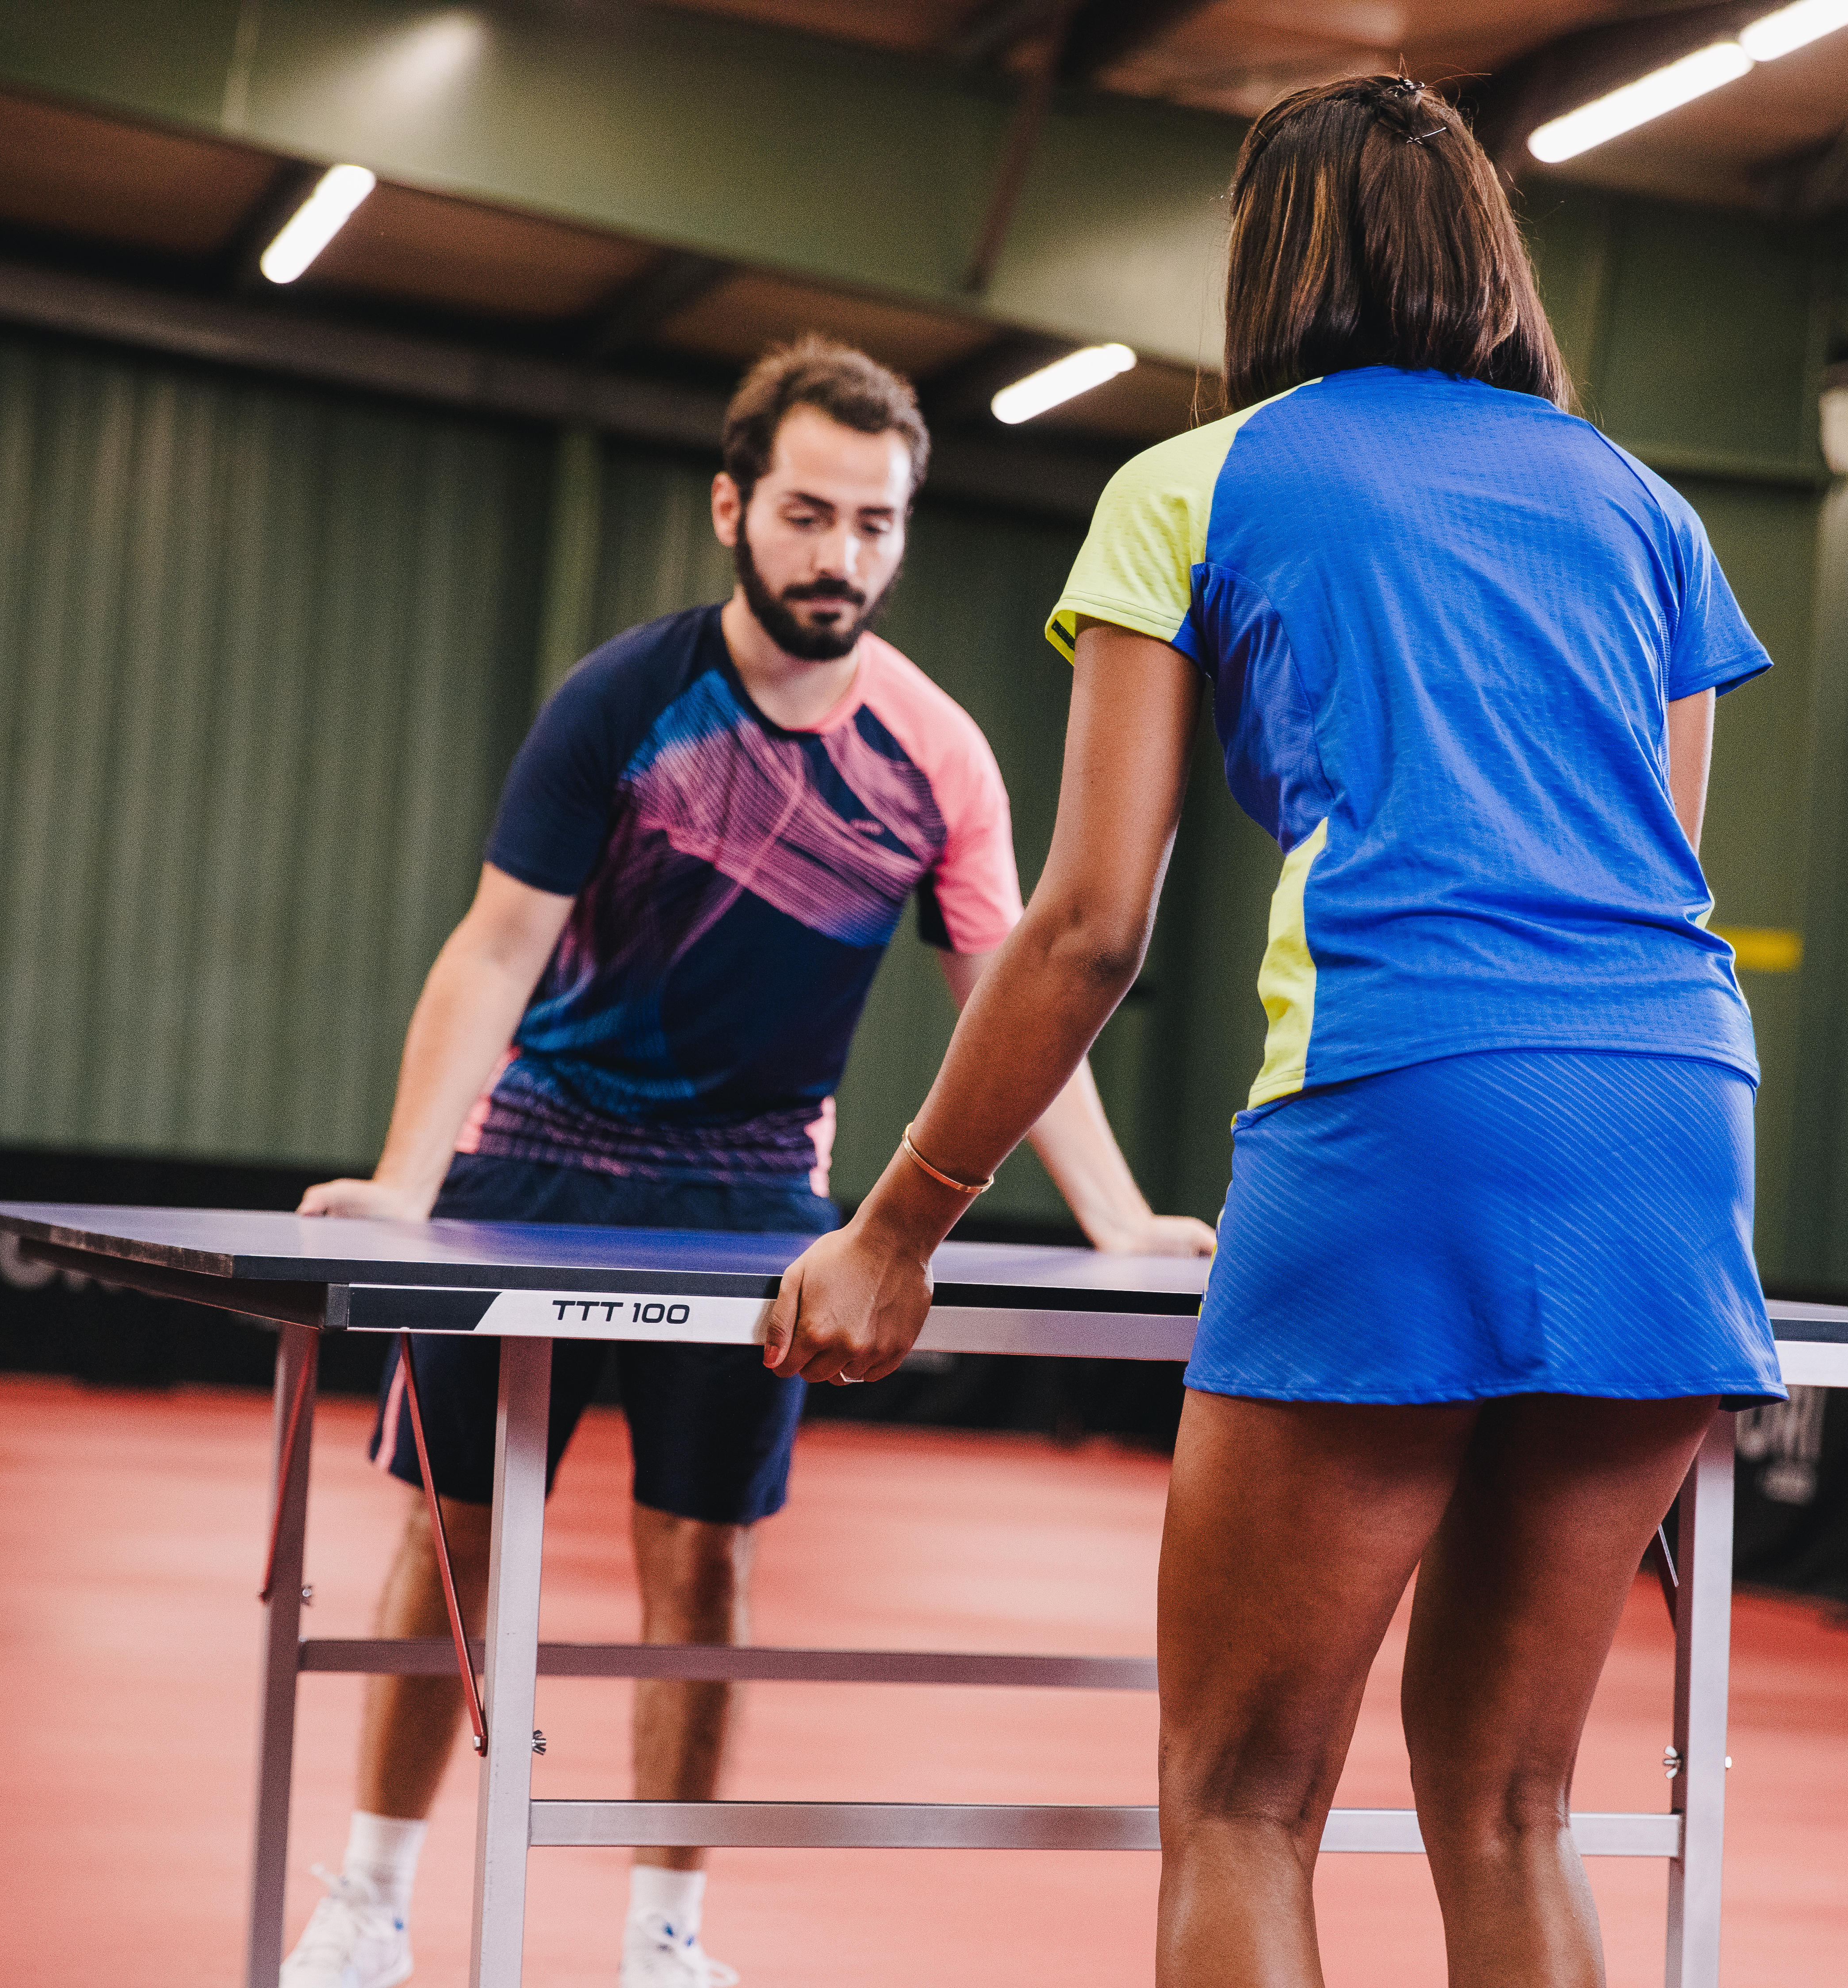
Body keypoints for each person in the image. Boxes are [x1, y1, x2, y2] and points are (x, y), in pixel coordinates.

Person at [762, 77, 1785, 1987]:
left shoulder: (1198, 482)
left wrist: (897, 1223)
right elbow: (1656, 866)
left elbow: (1080, 930)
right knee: (1513, 1808)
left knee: (1241, 1795)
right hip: (1675, 1110)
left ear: (1269, 260)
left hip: (1403, 1100)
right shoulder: (1644, 504)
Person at [281, 336, 1215, 1988]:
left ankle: (664, 1934)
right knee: (456, 1539)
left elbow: (1018, 987)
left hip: (755, 1208)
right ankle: (368, 1901)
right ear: (735, 507)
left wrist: (1123, 1215)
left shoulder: (935, 754)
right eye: (806, 512)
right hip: (535, 1172)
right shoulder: (623, 703)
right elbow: (499, 949)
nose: (838, 554)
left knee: (703, 1564)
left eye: (875, 524)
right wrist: (410, 1185)